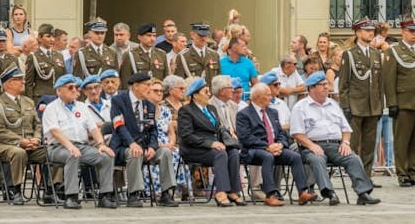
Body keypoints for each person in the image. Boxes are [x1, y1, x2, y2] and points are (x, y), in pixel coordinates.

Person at [291, 72, 380, 206]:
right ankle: (330, 193)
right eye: (323, 85)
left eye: (327, 84)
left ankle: (363, 193)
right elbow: (297, 133)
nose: (327, 87)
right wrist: (311, 145)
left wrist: (345, 142)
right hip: (311, 146)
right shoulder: (300, 106)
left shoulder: (333, 104)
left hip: (335, 145)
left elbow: (346, 129)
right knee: (317, 159)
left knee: (353, 158)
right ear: (311, 88)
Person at [42, 75, 117, 209]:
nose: (75, 90)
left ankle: (105, 195)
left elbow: (93, 128)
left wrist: (101, 145)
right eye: (70, 87)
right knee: (73, 155)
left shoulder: (82, 107)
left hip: (82, 146)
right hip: (57, 147)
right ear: (59, 91)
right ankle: (71, 196)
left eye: (76, 87)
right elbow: (55, 132)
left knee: (107, 156)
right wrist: (70, 147)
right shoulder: (51, 108)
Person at [236, 83, 315, 206]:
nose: (271, 97)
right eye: (268, 95)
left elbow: (281, 133)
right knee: (267, 156)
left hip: (275, 148)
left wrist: (280, 145)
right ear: (258, 97)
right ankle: (270, 194)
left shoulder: (273, 112)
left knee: (295, 157)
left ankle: (302, 192)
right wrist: (267, 146)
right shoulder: (243, 114)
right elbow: (246, 138)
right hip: (253, 150)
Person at [108, 73, 178, 207]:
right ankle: (133, 194)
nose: (150, 89)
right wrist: (132, 144)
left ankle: (166, 193)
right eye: (147, 85)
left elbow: (153, 129)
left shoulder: (148, 104)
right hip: (124, 146)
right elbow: (119, 125)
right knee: (135, 152)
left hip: (145, 146)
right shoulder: (118, 100)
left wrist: (152, 146)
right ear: (136, 86)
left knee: (165, 152)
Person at [177, 75, 245, 206]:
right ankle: (221, 192)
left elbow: (218, 128)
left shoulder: (211, 109)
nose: (209, 94)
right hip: (195, 148)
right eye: (205, 92)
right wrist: (210, 143)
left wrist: (228, 140)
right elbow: (187, 136)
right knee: (220, 154)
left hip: (214, 146)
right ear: (195, 95)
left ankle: (233, 190)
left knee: (233, 152)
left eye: (208, 91)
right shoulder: (186, 111)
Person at [382, 18, 415, 187]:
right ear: (403, 32)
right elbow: (389, 80)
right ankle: (402, 173)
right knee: (402, 140)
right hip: (404, 102)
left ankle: (414, 172)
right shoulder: (394, 51)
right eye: (411, 31)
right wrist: (392, 103)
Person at [0, 66, 48, 205]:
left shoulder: (28, 101)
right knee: (19, 153)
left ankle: (52, 188)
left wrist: (36, 139)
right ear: (8, 83)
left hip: (31, 145)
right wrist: (21, 141)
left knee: (52, 152)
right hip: (8, 146)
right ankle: (16, 189)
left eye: (22, 79)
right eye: (18, 80)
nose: (23, 82)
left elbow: (37, 125)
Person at [337, 18, 384, 176]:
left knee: (369, 145)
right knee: (354, 143)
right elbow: (343, 84)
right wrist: (345, 106)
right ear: (357, 32)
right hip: (356, 105)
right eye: (366, 30)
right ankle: (354, 174)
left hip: (372, 106)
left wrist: (380, 105)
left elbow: (379, 83)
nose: (370, 33)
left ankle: (366, 175)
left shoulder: (376, 54)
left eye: (372, 30)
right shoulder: (349, 55)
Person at [24, 24, 65, 100]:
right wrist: (29, 103)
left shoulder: (59, 56)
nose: (52, 39)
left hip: (58, 98)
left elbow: (63, 78)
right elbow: (28, 84)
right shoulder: (33, 57)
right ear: (40, 38)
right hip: (41, 99)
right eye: (48, 36)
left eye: (53, 36)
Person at [220, 36, 260, 102]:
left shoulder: (249, 63)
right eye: (243, 46)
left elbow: (256, 85)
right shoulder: (221, 63)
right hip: (226, 102)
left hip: (245, 101)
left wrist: (250, 100)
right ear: (235, 47)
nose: (246, 48)